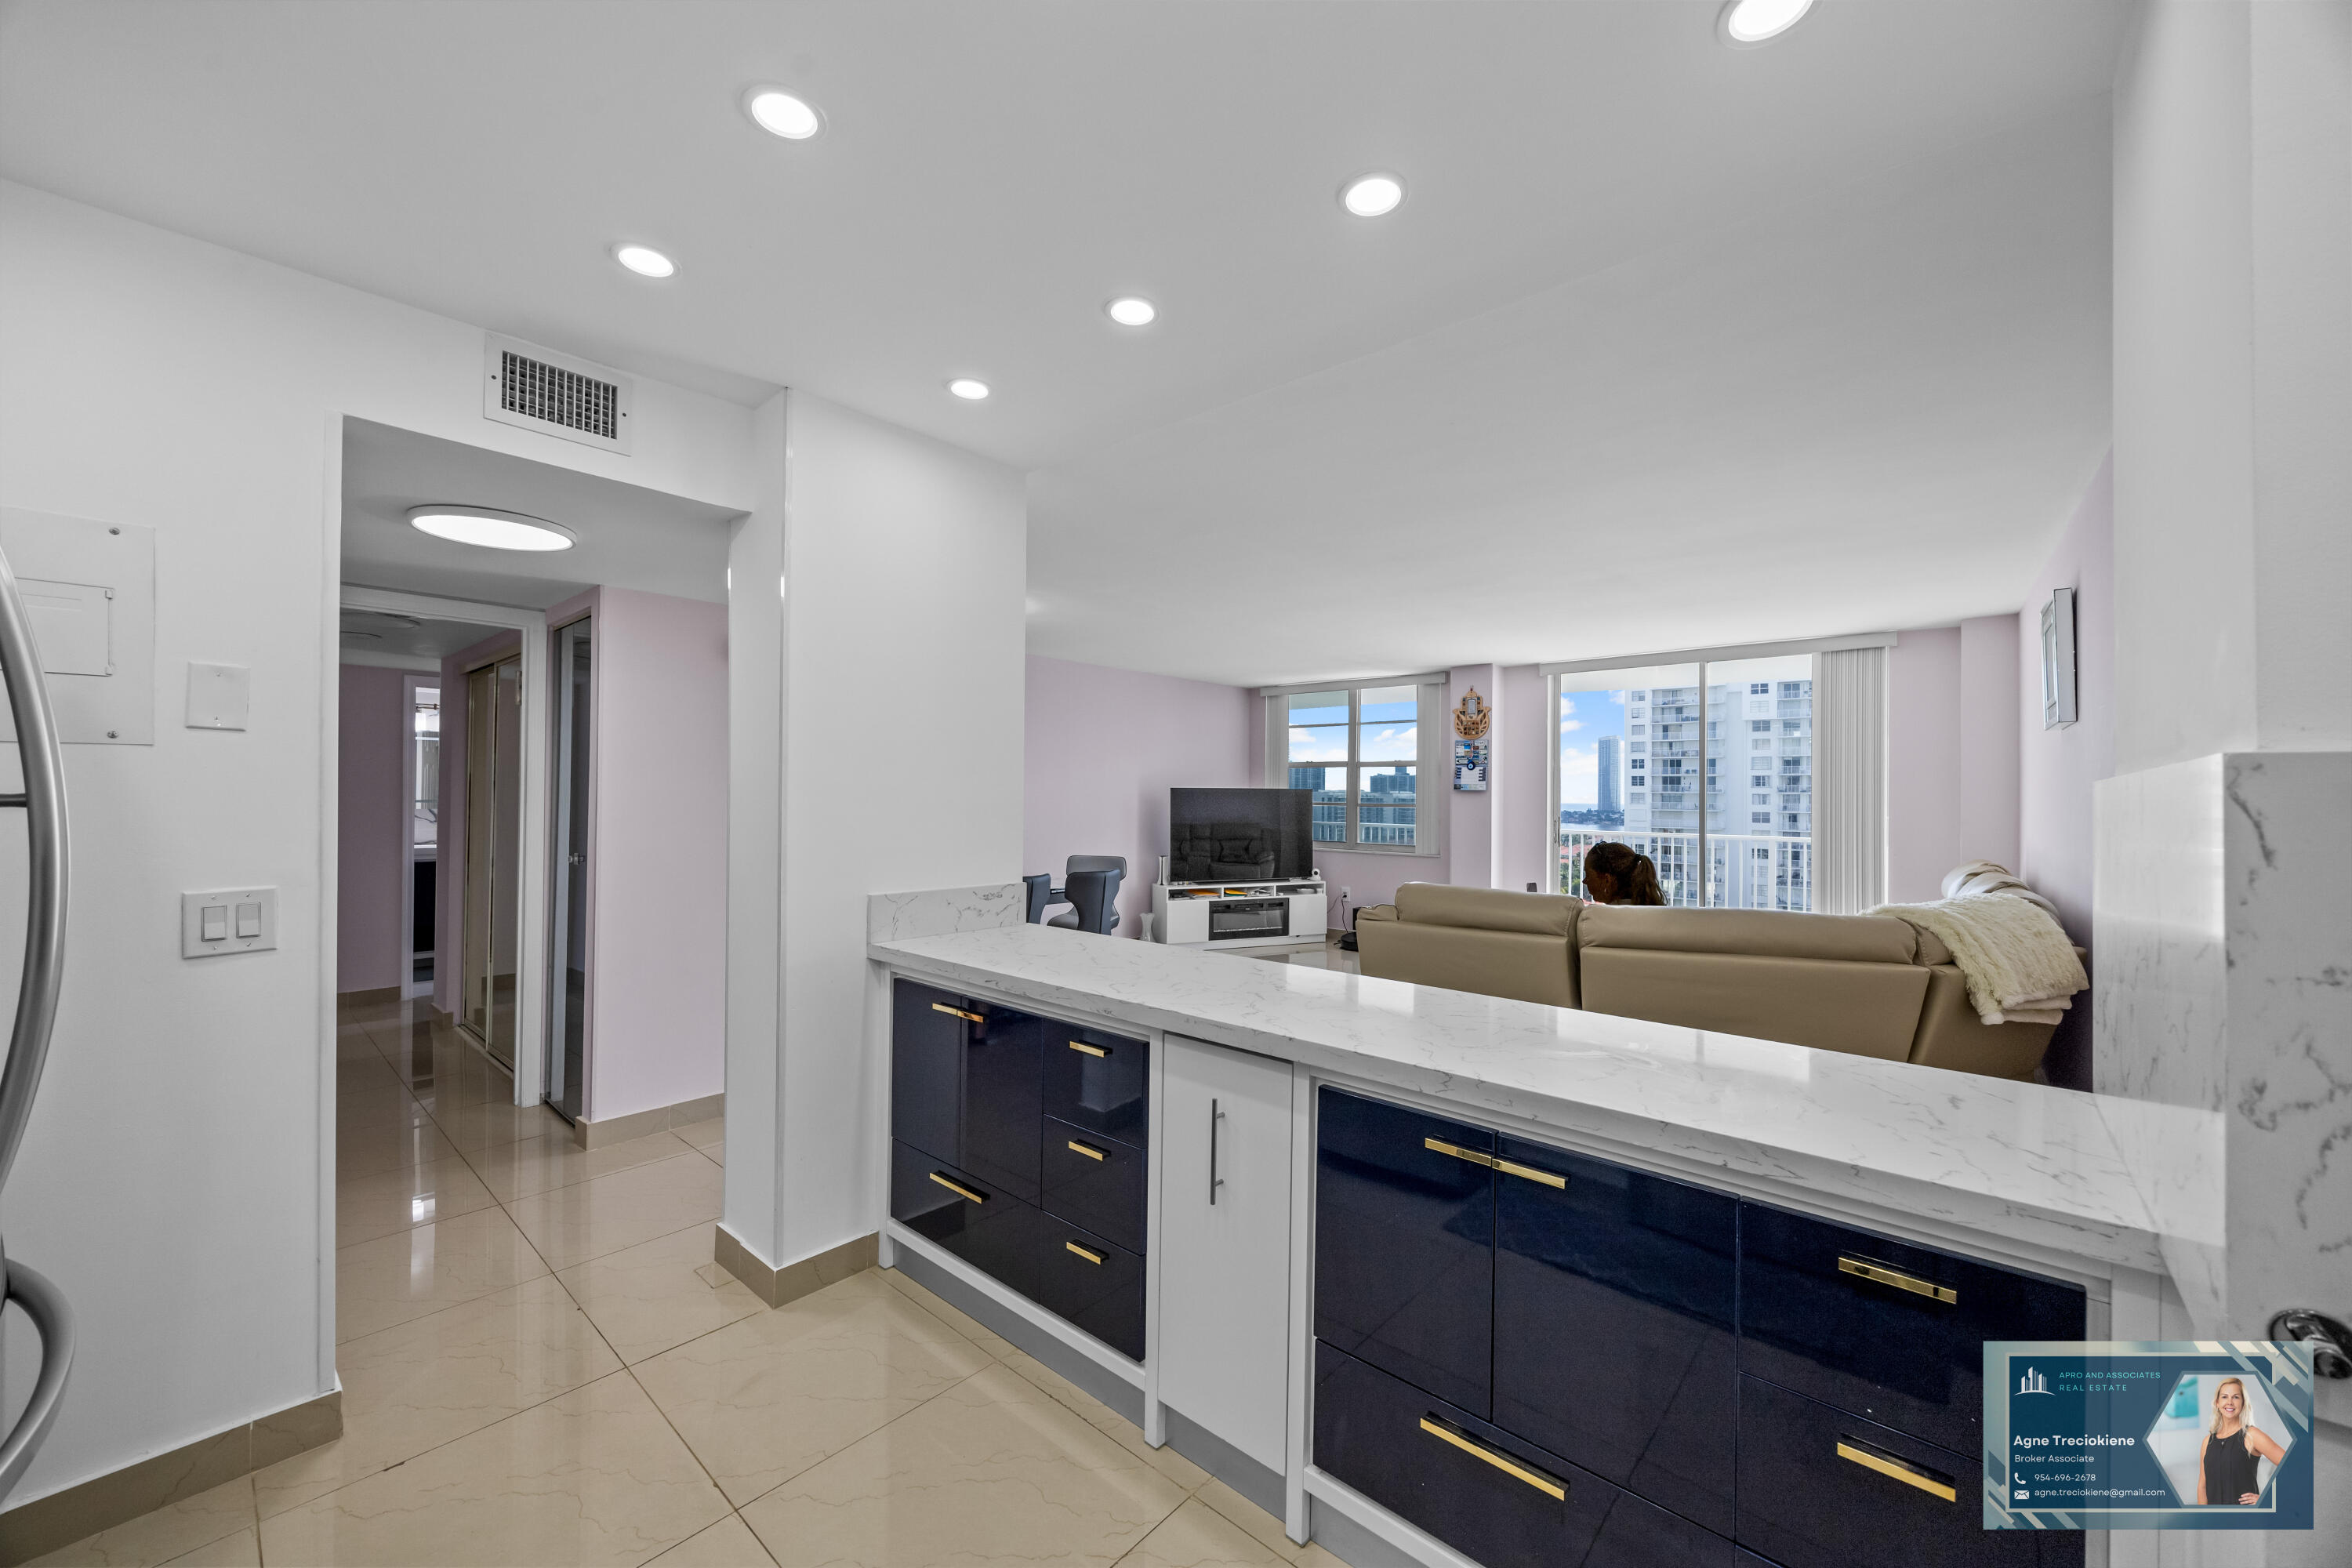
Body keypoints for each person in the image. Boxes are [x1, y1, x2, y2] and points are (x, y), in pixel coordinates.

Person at [2198, 1377, 2285, 1505]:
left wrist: (2266, 1498)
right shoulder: (2207, 1442)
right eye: (2224, 1397)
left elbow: (2293, 1465)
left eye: (2236, 1397)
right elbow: (2202, 1487)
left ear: (2243, 1403)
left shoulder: (2252, 1435)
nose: (2230, 1402)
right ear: (2217, 1403)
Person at [1581, 842, 1667, 906]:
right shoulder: (1661, 915)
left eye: (1588, 875)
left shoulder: (1598, 920)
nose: (1584, 881)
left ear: (1607, 880)